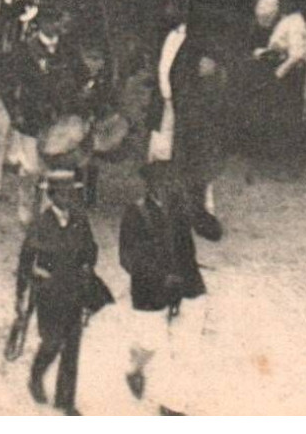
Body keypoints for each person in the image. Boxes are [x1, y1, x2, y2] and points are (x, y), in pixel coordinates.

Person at [16, 168, 111, 416]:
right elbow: (26, 260)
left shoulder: (80, 219)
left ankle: (65, 400)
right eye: (62, 194)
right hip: (49, 293)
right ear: (52, 195)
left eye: (71, 194)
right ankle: (36, 375)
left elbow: (91, 249)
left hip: (74, 290)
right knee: (52, 342)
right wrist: (22, 296)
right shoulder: (40, 223)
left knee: (72, 346)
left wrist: (87, 266)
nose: (67, 198)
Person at [118, 160, 206, 415]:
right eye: (165, 183)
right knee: (151, 343)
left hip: (188, 285)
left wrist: (197, 211)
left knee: (186, 348)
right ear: (152, 186)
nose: (171, 187)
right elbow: (127, 259)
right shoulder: (135, 213)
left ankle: (171, 406)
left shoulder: (183, 208)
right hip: (150, 291)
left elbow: (214, 232)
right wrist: (159, 277)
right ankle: (136, 368)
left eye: (174, 182)